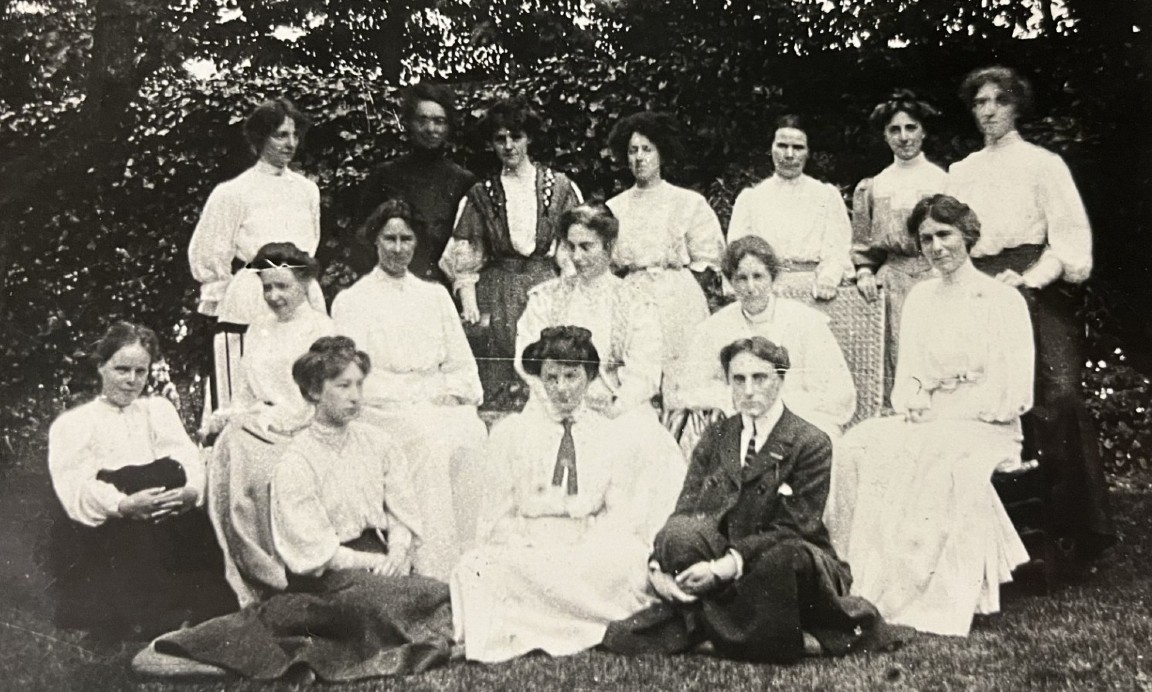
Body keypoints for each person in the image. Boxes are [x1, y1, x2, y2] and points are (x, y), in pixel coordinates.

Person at [134, 337, 454, 681]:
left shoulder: (379, 443)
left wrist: (398, 550)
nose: (355, 396)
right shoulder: (296, 461)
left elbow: (400, 508)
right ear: (315, 391)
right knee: (381, 607)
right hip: (326, 582)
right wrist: (376, 564)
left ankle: (412, 623)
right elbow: (315, 552)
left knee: (436, 592)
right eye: (343, 385)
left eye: (359, 385)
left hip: (381, 566)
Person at [825, 194, 1033, 637]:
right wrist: (917, 400)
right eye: (926, 239)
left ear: (967, 236)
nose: (936, 247)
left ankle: (933, 587)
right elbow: (912, 376)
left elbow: (1013, 385)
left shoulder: (1001, 299)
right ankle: (857, 578)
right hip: (933, 416)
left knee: (934, 450)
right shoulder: (920, 298)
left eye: (945, 235)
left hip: (986, 422)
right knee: (860, 444)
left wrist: (954, 409)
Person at [603, 336, 885, 663]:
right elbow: (686, 510)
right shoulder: (717, 435)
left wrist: (724, 567)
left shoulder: (811, 442)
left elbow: (794, 527)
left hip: (786, 559)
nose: (748, 390)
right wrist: (657, 568)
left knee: (783, 561)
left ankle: (707, 628)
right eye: (739, 379)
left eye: (759, 378)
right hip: (723, 557)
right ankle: (757, 631)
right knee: (680, 535)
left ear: (780, 380)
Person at [946, 66, 1114, 564]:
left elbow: (1069, 242)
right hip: (977, 291)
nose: (990, 110)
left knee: (1057, 396)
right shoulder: (963, 172)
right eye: (980, 102)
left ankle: (1076, 532)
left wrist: (1029, 280)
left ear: (1017, 105)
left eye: (999, 100)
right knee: (978, 395)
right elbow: (953, 242)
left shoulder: (1044, 164)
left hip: (1036, 286)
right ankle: (1000, 537)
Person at [451, 326, 686, 663]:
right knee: (476, 566)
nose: (561, 388)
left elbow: (620, 516)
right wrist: (527, 543)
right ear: (539, 379)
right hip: (528, 545)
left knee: (630, 562)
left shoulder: (610, 436)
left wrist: (587, 544)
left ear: (589, 376)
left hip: (587, 546)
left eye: (572, 376)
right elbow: (496, 515)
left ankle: (551, 621)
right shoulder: (512, 434)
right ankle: (561, 622)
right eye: (552, 377)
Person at [47, 322, 235, 640]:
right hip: (109, 527)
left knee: (173, 481)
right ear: (101, 367)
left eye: (141, 371)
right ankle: (148, 612)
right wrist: (123, 504)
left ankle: (193, 606)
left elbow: (187, 457)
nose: (132, 380)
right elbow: (75, 486)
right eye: (122, 369)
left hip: (165, 516)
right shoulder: (75, 423)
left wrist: (190, 492)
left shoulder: (156, 411)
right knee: (134, 483)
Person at [334, 199, 488, 579]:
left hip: (434, 398)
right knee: (428, 441)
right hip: (381, 407)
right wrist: (411, 396)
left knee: (471, 432)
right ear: (375, 241)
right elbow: (353, 376)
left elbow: (460, 364)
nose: (398, 248)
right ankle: (432, 566)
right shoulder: (353, 300)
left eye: (406, 238)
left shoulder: (434, 296)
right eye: (390, 238)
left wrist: (449, 392)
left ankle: (472, 559)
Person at [201, 242, 335, 606]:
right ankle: (241, 576)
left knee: (255, 466)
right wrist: (233, 415)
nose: (274, 296)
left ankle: (279, 574)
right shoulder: (258, 327)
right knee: (229, 448)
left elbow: (319, 399)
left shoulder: (321, 330)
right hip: (259, 424)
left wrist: (268, 420)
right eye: (267, 287)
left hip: (303, 428)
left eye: (283, 286)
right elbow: (244, 393)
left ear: (304, 284)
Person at [440, 97, 583, 408]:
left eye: (515, 137)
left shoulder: (559, 187)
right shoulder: (482, 194)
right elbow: (465, 252)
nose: (508, 146)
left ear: (528, 138)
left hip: (546, 285)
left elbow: (571, 248)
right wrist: (468, 300)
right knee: (500, 381)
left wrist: (571, 289)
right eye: (500, 139)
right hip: (499, 291)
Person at [188, 97, 324, 409]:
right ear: (260, 138)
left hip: (302, 292)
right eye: (280, 135)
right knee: (246, 383)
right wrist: (225, 300)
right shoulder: (233, 192)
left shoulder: (307, 191)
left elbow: (311, 241)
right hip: (254, 295)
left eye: (294, 135)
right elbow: (209, 252)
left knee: (303, 377)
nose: (290, 143)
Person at [667, 236, 855, 449]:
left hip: (799, 420)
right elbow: (690, 388)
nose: (751, 287)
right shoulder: (714, 328)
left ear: (772, 278)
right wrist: (737, 400)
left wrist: (774, 405)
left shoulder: (805, 322)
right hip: (738, 422)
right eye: (741, 278)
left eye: (758, 276)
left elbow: (839, 395)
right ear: (731, 281)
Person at [515, 202, 663, 419]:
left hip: (615, 408)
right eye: (571, 246)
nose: (576, 257)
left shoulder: (636, 303)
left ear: (609, 246)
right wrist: (557, 403)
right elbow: (525, 358)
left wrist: (616, 406)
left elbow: (644, 372)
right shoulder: (545, 298)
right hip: (553, 406)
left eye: (586, 246)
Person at [606, 111, 725, 374]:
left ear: (662, 153)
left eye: (647, 149)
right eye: (632, 151)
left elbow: (707, 259)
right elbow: (608, 265)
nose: (639, 157)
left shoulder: (688, 202)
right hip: (631, 298)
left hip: (679, 299)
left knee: (684, 371)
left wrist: (680, 294)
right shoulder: (615, 208)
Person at [852, 91, 949, 403]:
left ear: (923, 131)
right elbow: (864, 244)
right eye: (895, 130)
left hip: (936, 278)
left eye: (911, 128)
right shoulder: (875, 185)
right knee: (894, 359)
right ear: (885, 135)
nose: (904, 137)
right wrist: (865, 272)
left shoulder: (942, 180)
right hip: (891, 284)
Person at [355, 83, 478, 286]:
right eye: (422, 120)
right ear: (409, 123)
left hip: (443, 290)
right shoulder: (385, 175)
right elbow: (364, 237)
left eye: (439, 121)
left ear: (448, 127)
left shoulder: (463, 182)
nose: (431, 129)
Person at [727, 115, 853, 301]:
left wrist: (828, 279)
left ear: (808, 152)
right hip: (765, 292)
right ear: (771, 148)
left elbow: (838, 249)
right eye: (782, 146)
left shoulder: (826, 196)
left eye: (798, 148)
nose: (789, 155)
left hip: (814, 290)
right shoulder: (751, 199)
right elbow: (737, 253)